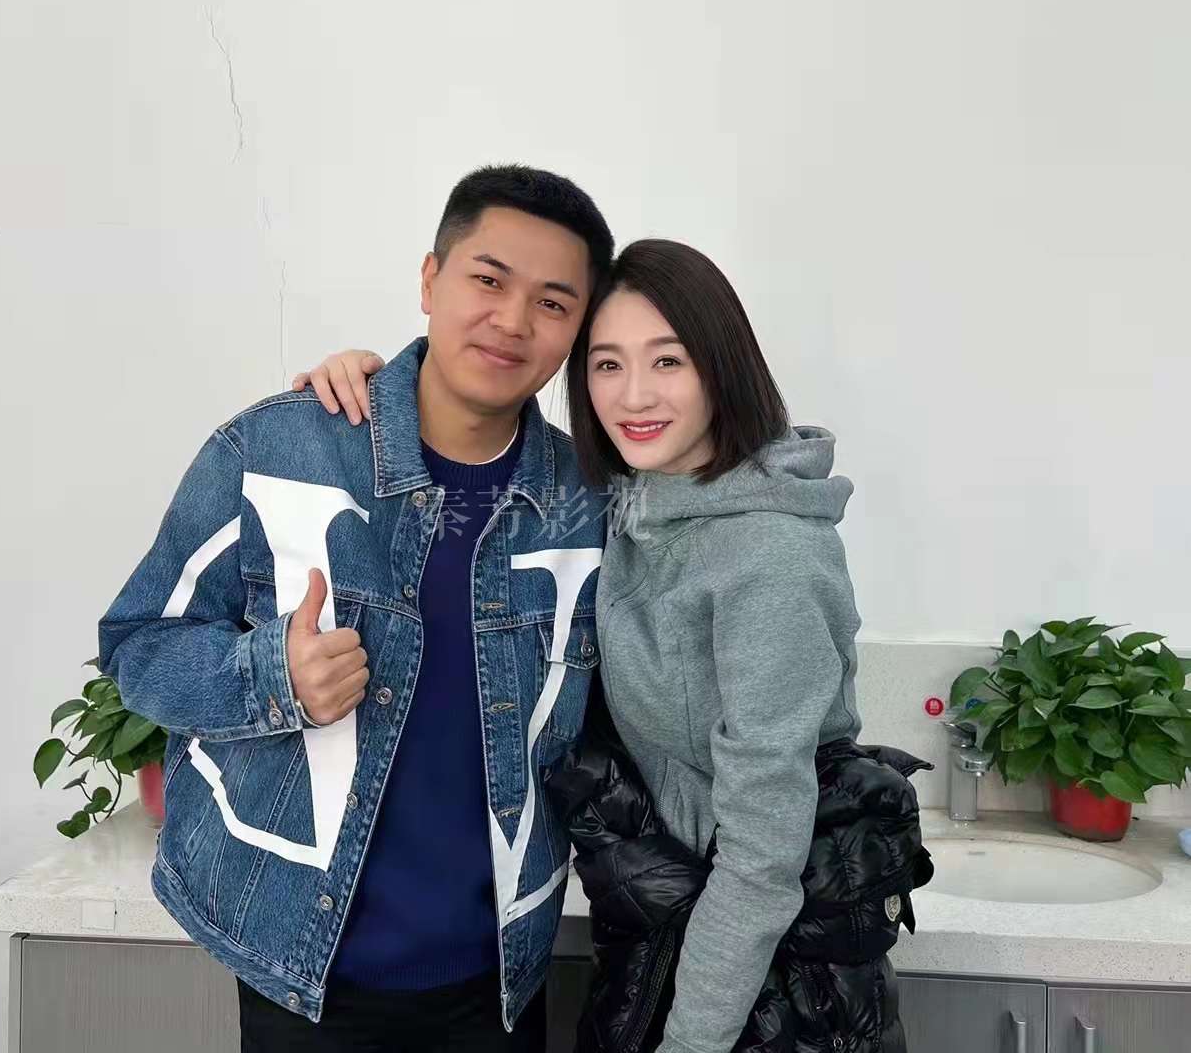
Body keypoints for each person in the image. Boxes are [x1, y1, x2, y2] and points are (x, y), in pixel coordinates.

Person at [296, 238, 909, 1053]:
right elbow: (473, 461)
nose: (634, 395)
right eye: (607, 365)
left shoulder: (769, 557)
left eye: (668, 361)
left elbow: (761, 861)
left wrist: (689, 1044)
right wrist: (372, 392)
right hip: (658, 943)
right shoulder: (633, 502)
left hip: (762, 992)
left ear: (723, 367)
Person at [98, 164, 615, 1052]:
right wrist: (271, 676)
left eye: (553, 303)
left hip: (499, 978)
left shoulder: (587, 505)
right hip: (296, 965)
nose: (513, 321)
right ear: (430, 280)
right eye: (488, 280)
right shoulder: (277, 448)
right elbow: (138, 644)